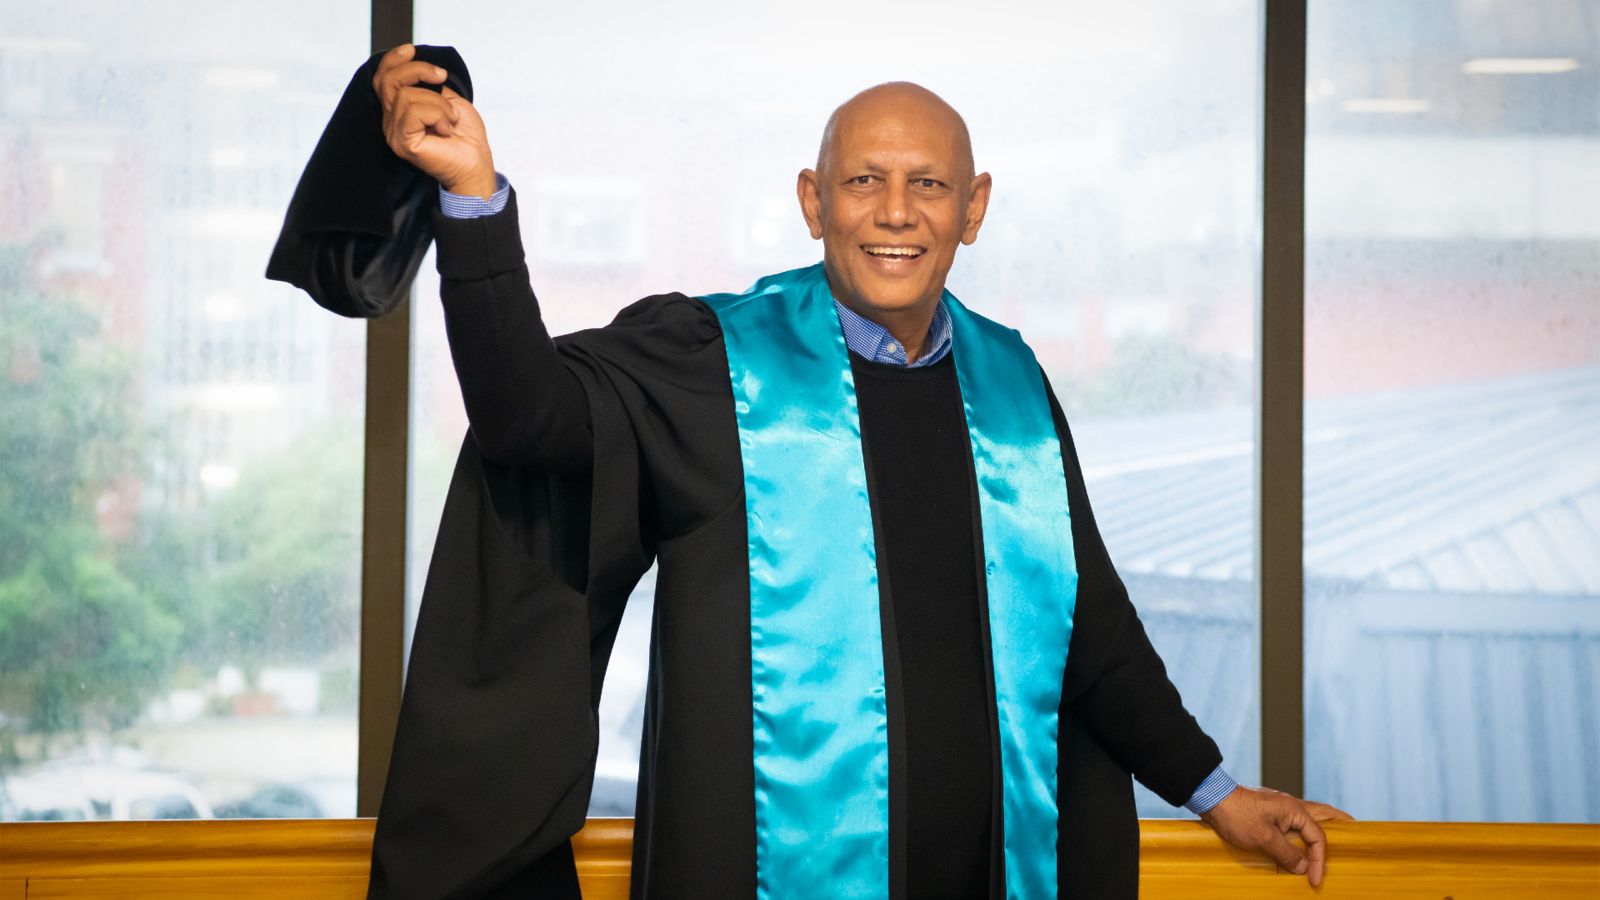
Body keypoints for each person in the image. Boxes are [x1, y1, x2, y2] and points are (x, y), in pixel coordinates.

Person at [363, 43, 1350, 899]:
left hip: (993, 874)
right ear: (811, 201)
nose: (895, 213)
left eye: (927, 184)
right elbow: (524, 419)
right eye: (862, 180)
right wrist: (472, 202)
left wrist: (1217, 793)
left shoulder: (1012, 386)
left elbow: (1085, 624)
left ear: (973, 209)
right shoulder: (710, 364)